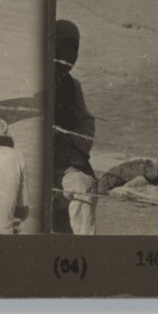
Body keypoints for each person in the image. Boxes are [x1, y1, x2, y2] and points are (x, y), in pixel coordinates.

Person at [51, 20, 97, 235]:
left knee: (83, 186)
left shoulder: (72, 85)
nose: (71, 54)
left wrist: (75, 147)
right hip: (36, 167)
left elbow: (85, 122)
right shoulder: (38, 80)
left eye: (75, 48)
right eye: (65, 46)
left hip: (64, 164)